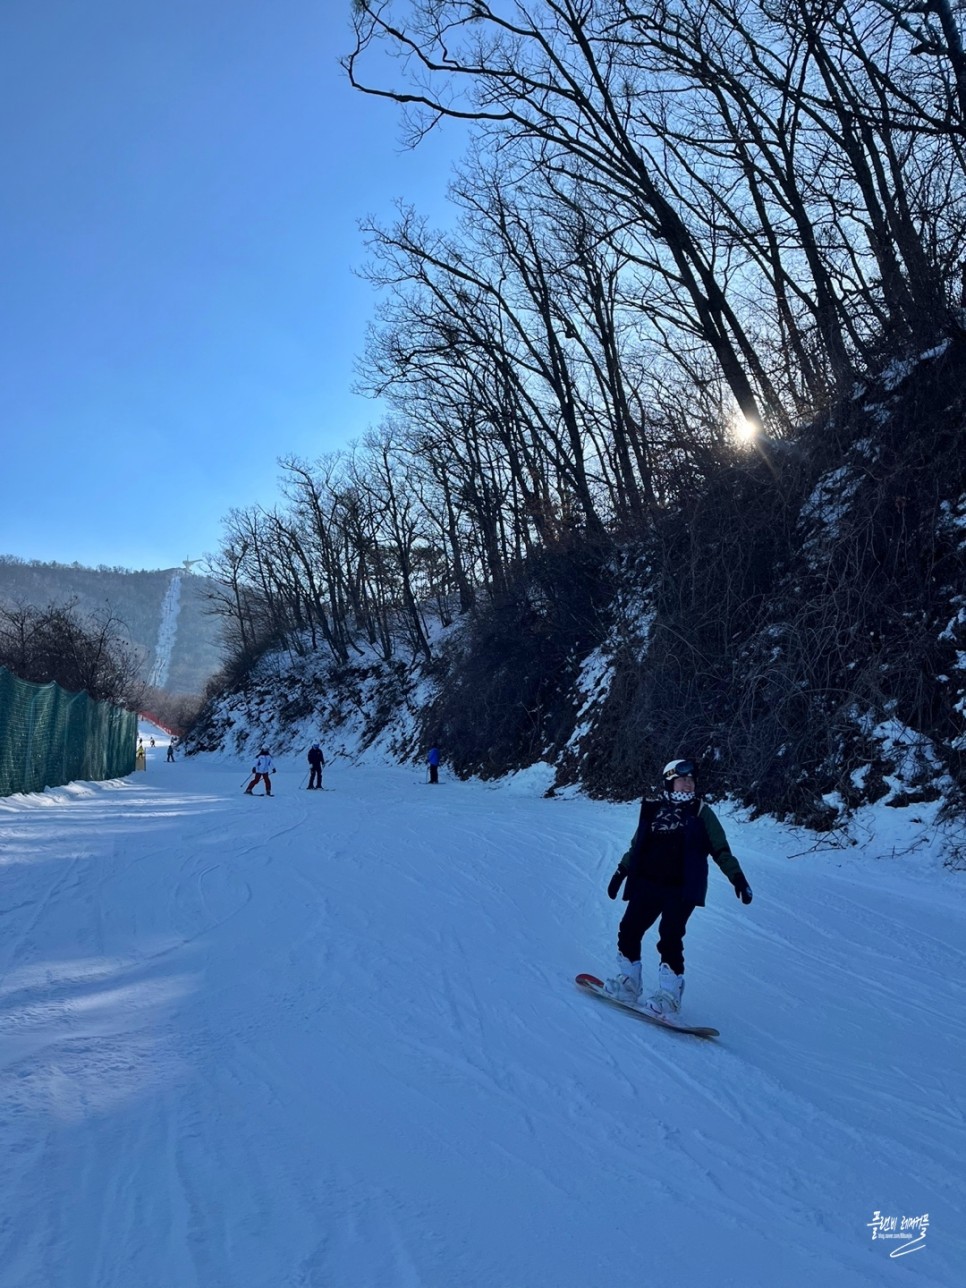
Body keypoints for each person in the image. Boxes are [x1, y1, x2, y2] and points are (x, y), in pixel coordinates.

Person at [603, 758, 753, 1019]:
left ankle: (669, 997)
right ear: (669, 782)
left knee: (670, 936)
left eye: (691, 780)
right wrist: (620, 872)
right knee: (629, 929)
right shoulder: (653, 810)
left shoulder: (701, 812)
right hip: (648, 883)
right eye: (682, 779)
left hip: (681, 889)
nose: (688, 784)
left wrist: (737, 878)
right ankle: (629, 983)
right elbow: (636, 847)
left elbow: (721, 849)